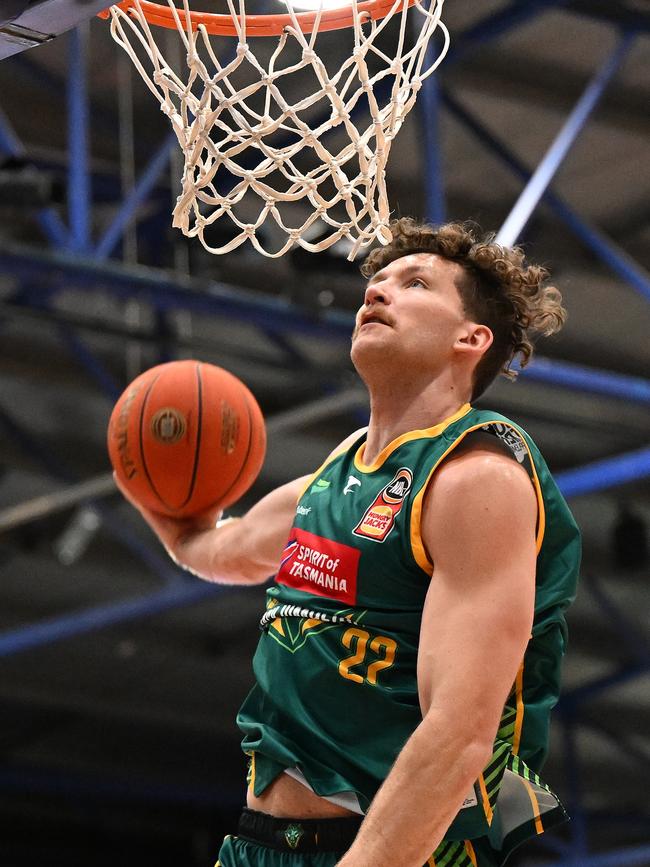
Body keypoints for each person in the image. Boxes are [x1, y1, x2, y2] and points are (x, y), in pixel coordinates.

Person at [116, 219, 581, 867]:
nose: (377, 292)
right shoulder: (340, 472)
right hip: (260, 845)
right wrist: (157, 495)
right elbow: (224, 548)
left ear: (471, 338)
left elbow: (459, 731)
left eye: (413, 283)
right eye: (377, 281)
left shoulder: (478, 478)